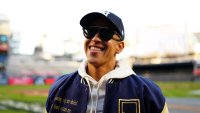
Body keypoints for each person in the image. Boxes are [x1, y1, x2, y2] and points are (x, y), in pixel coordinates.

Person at [46, 11, 169, 113]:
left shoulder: (148, 93)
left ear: (119, 47)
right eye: (90, 31)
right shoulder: (60, 87)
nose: (95, 39)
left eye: (106, 33)